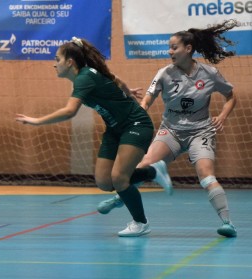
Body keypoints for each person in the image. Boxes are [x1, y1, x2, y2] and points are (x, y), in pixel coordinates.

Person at [16, 37, 173, 237]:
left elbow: (70, 111)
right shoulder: (89, 75)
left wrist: (36, 121)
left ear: (70, 61)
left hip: (136, 124)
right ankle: (151, 172)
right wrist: (127, 90)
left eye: (58, 59)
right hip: (114, 130)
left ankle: (140, 223)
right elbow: (115, 78)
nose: (54, 64)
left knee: (119, 178)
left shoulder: (84, 77)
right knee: (105, 182)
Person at [98, 20, 239, 238]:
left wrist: (222, 115)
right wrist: (141, 110)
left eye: (174, 47)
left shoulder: (209, 73)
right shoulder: (164, 73)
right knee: (145, 163)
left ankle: (227, 222)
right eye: (169, 47)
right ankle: (120, 197)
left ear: (188, 49)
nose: (169, 51)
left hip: (200, 131)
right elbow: (148, 98)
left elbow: (231, 96)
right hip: (171, 130)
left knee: (206, 175)